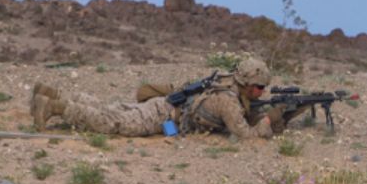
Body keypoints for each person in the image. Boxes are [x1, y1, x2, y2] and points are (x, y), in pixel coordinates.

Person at [30, 58, 283, 139]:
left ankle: (52, 93)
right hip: (162, 114)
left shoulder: (227, 81)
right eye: (259, 87)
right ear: (247, 83)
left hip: (165, 106)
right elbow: (243, 135)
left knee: (109, 109)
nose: (262, 92)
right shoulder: (228, 99)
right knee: (114, 124)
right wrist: (268, 122)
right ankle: (54, 106)